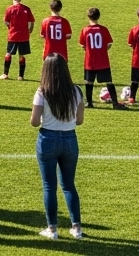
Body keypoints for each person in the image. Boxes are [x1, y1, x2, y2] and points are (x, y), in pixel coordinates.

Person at [31, 54, 85, 240]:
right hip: (70, 138)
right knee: (69, 185)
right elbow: (79, 120)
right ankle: (76, 228)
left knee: (49, 186)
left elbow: (34, 122)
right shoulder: (76, 91)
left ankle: (52, 229)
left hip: (48, 138)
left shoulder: (42, 91)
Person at [80, 7, 125, 109]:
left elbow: (83, 45)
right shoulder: (103, 29)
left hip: (90, 61)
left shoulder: (85, 30)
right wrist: (102, 50)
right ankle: (115, 103)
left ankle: (89, 103)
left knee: (89, 82)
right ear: (99, 16)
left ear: (88, 17)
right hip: (103, 60)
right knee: (108, 81)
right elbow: (109, 44)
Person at [2, 0, 34, 80]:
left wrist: (10, 27)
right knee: (22, 55)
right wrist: (30, 29)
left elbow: (6, 21)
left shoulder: (10, 9)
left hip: (13, 36)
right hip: (24, 36)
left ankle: (5, 74)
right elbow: (31, 21)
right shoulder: (26, 9)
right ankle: (21, 76)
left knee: (8, 54)